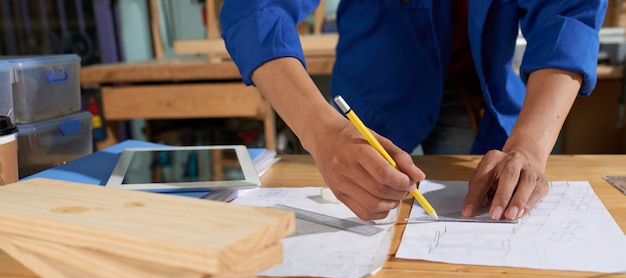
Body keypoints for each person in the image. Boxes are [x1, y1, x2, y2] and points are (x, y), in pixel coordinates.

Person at [220, 0, 607, 221]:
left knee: (487, 199)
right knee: (362, 192)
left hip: (479, 94)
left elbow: (569, 14)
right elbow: (256, 8)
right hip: (371, 95)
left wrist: (530, 145)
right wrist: (321, 132)